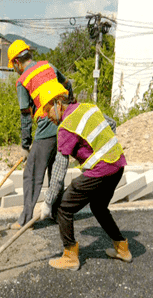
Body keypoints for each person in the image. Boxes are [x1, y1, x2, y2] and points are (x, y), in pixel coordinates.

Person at [36, 79, 132, 271]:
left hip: (102, 170)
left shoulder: (66, 128)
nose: (47, 116)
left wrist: (48, 202)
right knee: (98, 207)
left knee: (63, 206)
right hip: (117, 164)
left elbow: (59, 170)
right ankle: (122, 248)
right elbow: (111, 124)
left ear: (58, 103)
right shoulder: (87, 108)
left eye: (47, 110)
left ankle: (70, 256)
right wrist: (98, 149)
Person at [7, 39, 76, 229]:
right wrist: (69, 106)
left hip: (46, 126)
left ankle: (25, 220)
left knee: (31, 173)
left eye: (13, 66)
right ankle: (56, 213)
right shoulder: (48, 65)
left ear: (16, 62)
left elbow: (25, 115)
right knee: (56, 170)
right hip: (64, 123)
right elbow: (67, 84)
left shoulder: (22, 81)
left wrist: (25, 145)